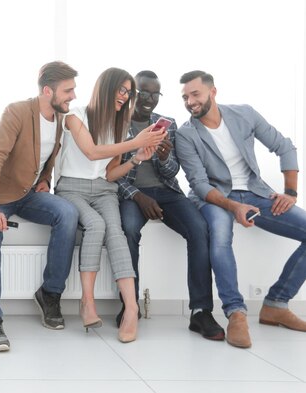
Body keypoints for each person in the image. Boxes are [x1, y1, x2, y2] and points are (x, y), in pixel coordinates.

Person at [176, 70, 306, 348]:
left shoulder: (244, 114)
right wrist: (234, 206)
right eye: (185, 97)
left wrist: (291, 192)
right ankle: (236, 313)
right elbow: (199, 183)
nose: (189, 101)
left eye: (195, 94)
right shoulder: (186, 134)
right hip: (213, 197)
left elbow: (284, 146)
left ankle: (276, 303)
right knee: (221, 238)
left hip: (255, 192)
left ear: (213, 92)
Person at [0, 61, 80, 352]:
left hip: (28, 194)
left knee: (68, 213)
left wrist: (45, 179)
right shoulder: (17, 111)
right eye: (68, 90)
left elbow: (49, 154)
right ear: (47, 91)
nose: (73, 96)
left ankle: (49, 293)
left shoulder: (60, 118)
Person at [55, 67, 166, 343]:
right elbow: (92, 152)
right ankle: (87, 302)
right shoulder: (75, 115)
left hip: (104, 190)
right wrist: (133, 141)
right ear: (106, 88)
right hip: (72, 187)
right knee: (95, 225)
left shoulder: (119, 125)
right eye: (122, 90)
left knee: (115, 231)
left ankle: (131, 308)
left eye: (128, 93)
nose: (125, 97)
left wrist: (136, 157)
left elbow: (110, 173)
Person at [117, 70, 225, 341]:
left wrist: (165, 158)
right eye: (144, 92)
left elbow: (171, 172)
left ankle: (200, 311)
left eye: (155, 93)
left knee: (199, 228)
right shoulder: (117, 125)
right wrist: (138, 196)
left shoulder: (168, 124)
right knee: (128, 229)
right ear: (132, 93)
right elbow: (110, 173)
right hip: (132, 194)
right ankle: (129, 306)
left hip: (166, 192)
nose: (149, 99)